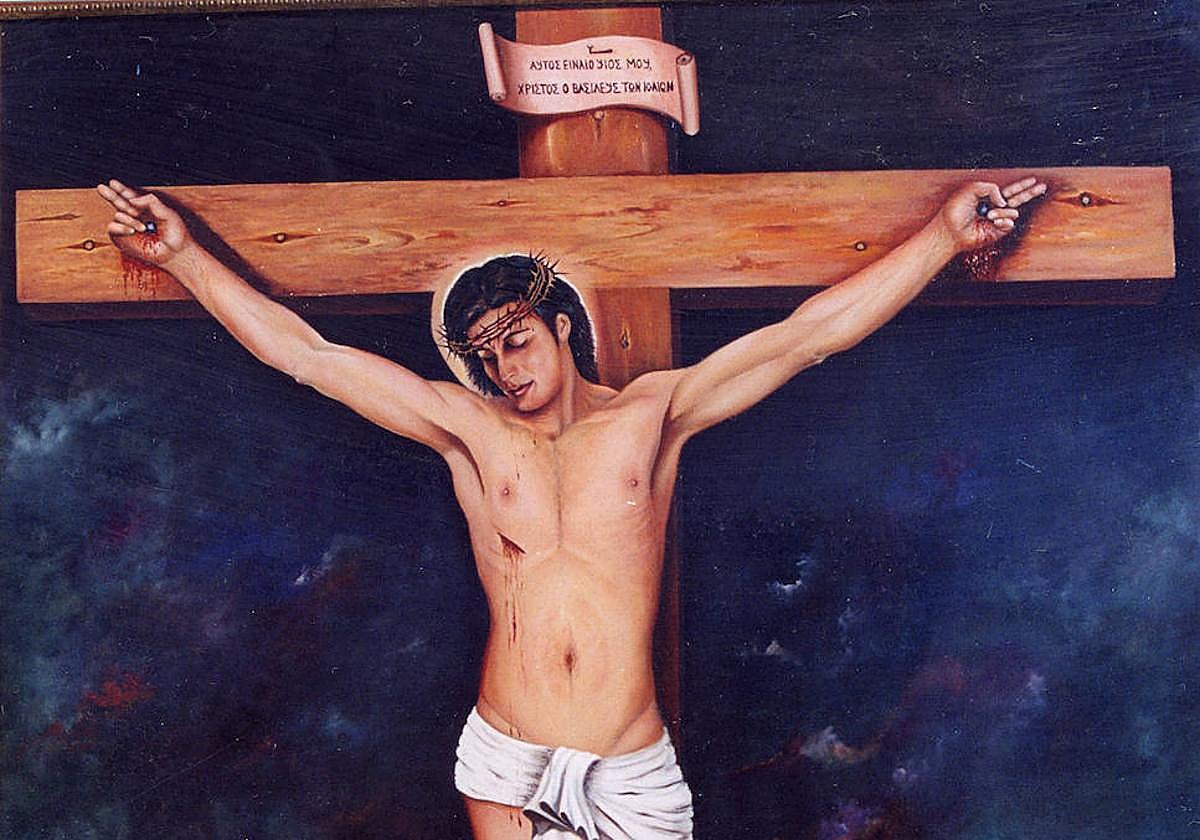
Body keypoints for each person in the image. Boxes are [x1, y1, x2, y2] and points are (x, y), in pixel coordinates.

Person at [97, 175, 1047, 840]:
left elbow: (806, 338)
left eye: (515, 342)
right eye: (486, 358)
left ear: (559, 325)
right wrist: (182, 257)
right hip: (508, 756)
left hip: (630, 764)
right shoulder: (469, 432)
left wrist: (942, 239)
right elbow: (311, 358)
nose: (504, 370)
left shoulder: (651, 417)